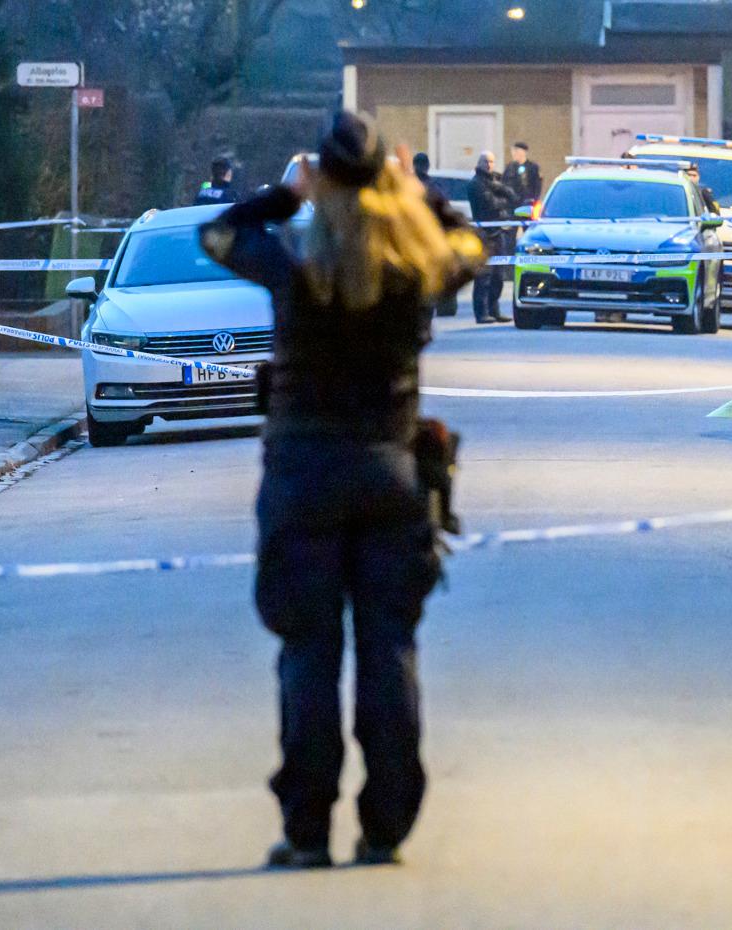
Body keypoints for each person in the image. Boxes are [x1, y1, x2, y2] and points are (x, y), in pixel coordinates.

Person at [199, 111, 483, 869]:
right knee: (390, 649)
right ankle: (386, 824)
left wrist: (286, 194)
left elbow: (218, 236)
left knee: (308, 652)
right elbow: (472, 247)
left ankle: (307, 827)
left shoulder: (293, 258)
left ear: (320, 176)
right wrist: (418, 195)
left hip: (301, 477)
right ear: (385, 179)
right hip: (390, 473)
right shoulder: (411, 266)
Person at [467, 150, 516, 324]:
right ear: (480, 163)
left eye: (492, 162)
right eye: (486, 161)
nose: (489, 165)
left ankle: (494, 310)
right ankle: (481, 313)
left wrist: (500, 194)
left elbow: (512, 196)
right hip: (483, 235)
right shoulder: (476, 184)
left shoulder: (494, 181)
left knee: (498, 275)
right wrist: (502, 200)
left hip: (498, 233)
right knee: (484, 276)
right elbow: (490, 204)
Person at [414, 151, 461, 318]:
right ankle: (443, 307)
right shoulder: (434, 188)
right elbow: (446, 213)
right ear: (427, 166)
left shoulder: (406, 187)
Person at [506, 141, 542, 207]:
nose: (514, 154)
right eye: (513, 151)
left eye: (516, 151)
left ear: (524, 152)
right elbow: (504, 183)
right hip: (512, 204)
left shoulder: (533, 167)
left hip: (528, 204)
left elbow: (537, 186)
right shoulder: (509, 167)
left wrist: (534, 200)